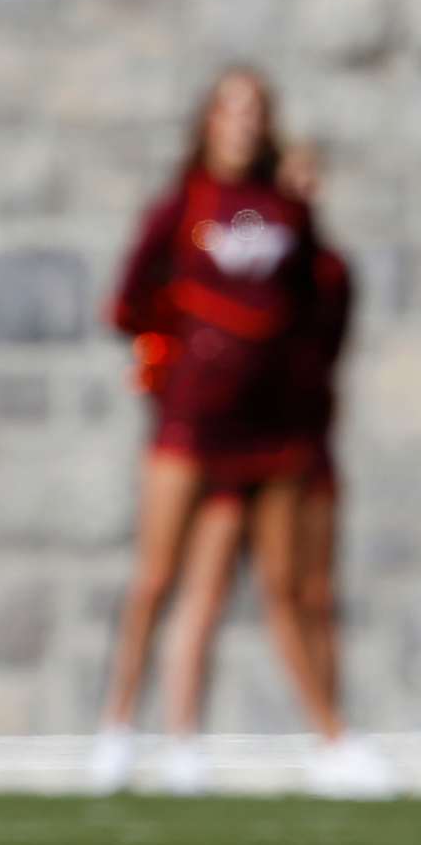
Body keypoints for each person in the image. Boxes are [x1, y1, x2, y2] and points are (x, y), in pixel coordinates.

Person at [92, 68, 380, 795]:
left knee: (279, 586)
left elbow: (309, 303)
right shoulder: (182, 204)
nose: (244, 123)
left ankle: (326, 738)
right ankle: (119, 726)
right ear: (211, 120)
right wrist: (168, 355)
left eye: (256, 110)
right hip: (191, 421)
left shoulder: (285, 206)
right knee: (158, 578)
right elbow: (129, 299)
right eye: (232, 109)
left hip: (270, 432)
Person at [155, 143, 383, 795]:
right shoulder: (235, 255)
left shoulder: (326, 268)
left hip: (294, 446)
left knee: (303, 593)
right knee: (202, 584)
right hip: (231, 442)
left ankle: (329, 736)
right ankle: (180, 737)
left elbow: (324, 353)